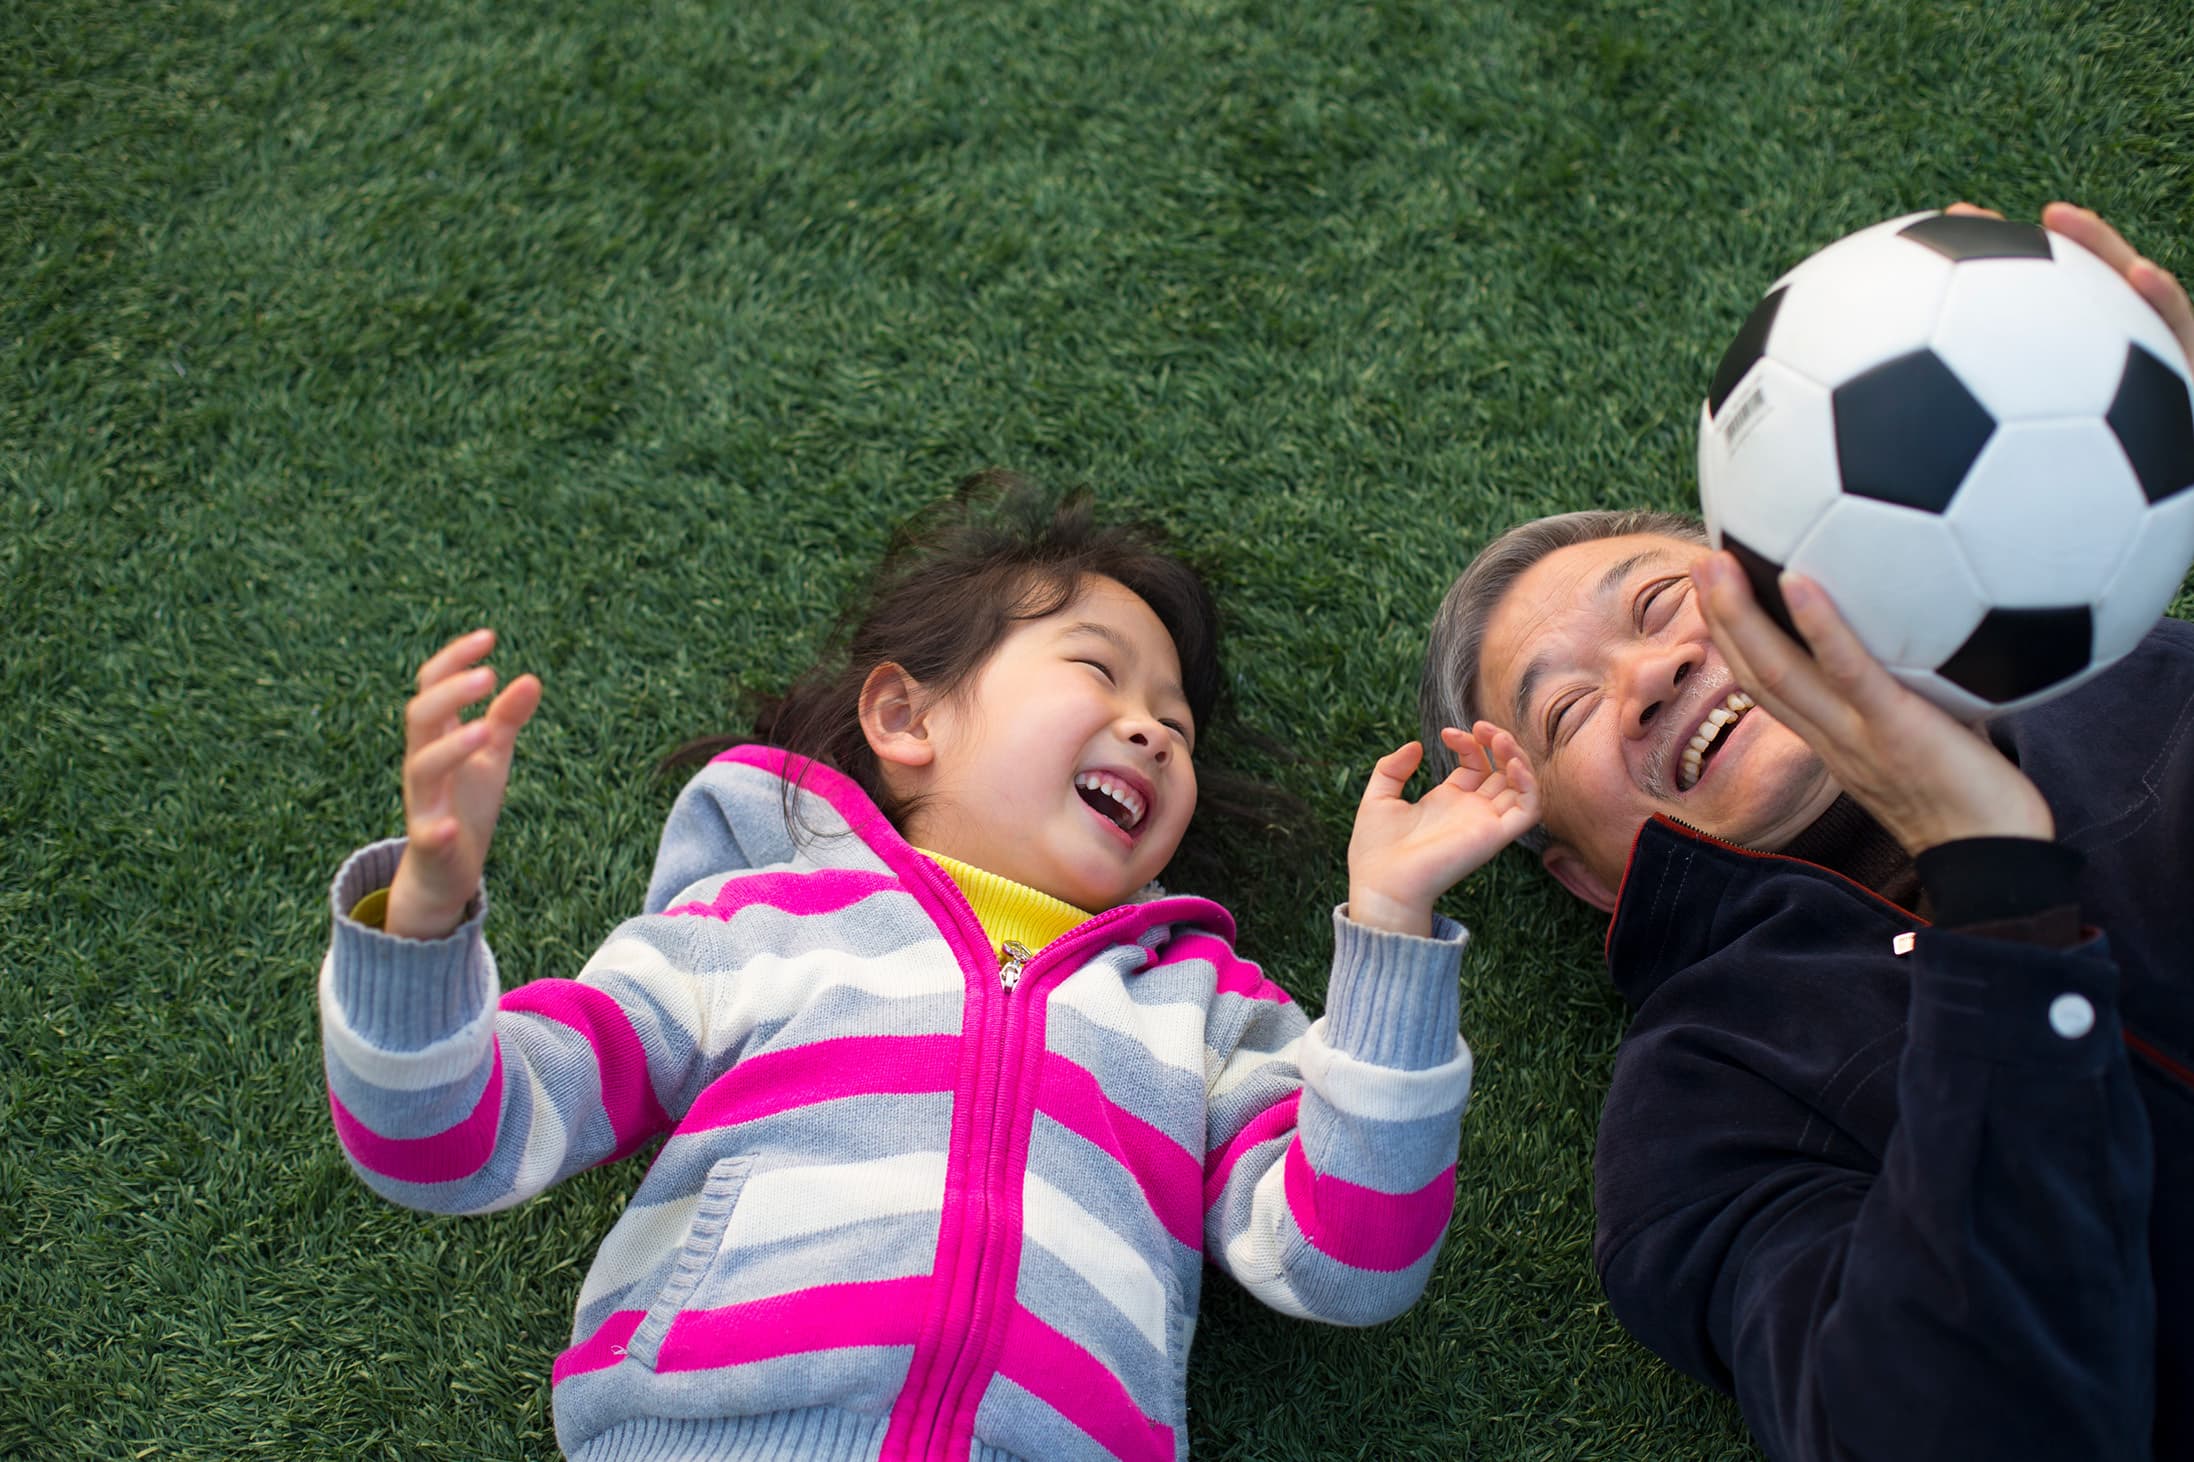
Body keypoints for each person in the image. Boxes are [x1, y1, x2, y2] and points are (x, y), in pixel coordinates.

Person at [319, 473, 1539, 1461]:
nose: (1153, 727)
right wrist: (421, 925)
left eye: (1174, 718)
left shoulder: (1204, 1011)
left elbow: (1348, 1259)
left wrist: (1388, 929)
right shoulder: (753, 924)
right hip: (708, 1432)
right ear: (906, 719)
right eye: (1098, 669)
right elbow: (452, 1142)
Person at [1418, 202, 2194, 1461]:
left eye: (1666, 599)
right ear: (1577, 873)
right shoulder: (1696, 1116)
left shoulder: (2139, 683)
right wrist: (1995, 893)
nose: (1651, 677)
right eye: (1567, 710)